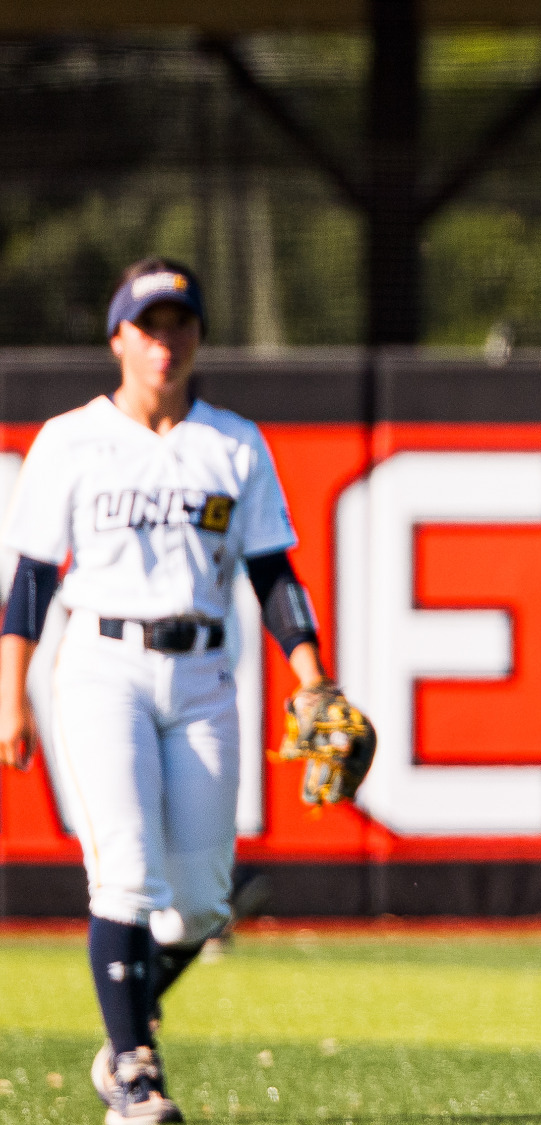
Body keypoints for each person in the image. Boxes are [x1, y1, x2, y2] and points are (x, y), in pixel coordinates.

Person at [0, 259, 335, 1125]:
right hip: (101, 662)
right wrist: (13, 694)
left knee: (198, 906)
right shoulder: (71, 439)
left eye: (181, 321)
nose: (166, 339)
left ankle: (121, 1035)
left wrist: (313, 679)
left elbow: (273, 572)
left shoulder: (233, 443)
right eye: (149, 324)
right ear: (118, 338)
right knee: (125, 877)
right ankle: (138, 1078)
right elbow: (32, 580)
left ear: (198, 335)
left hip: (203, 674)